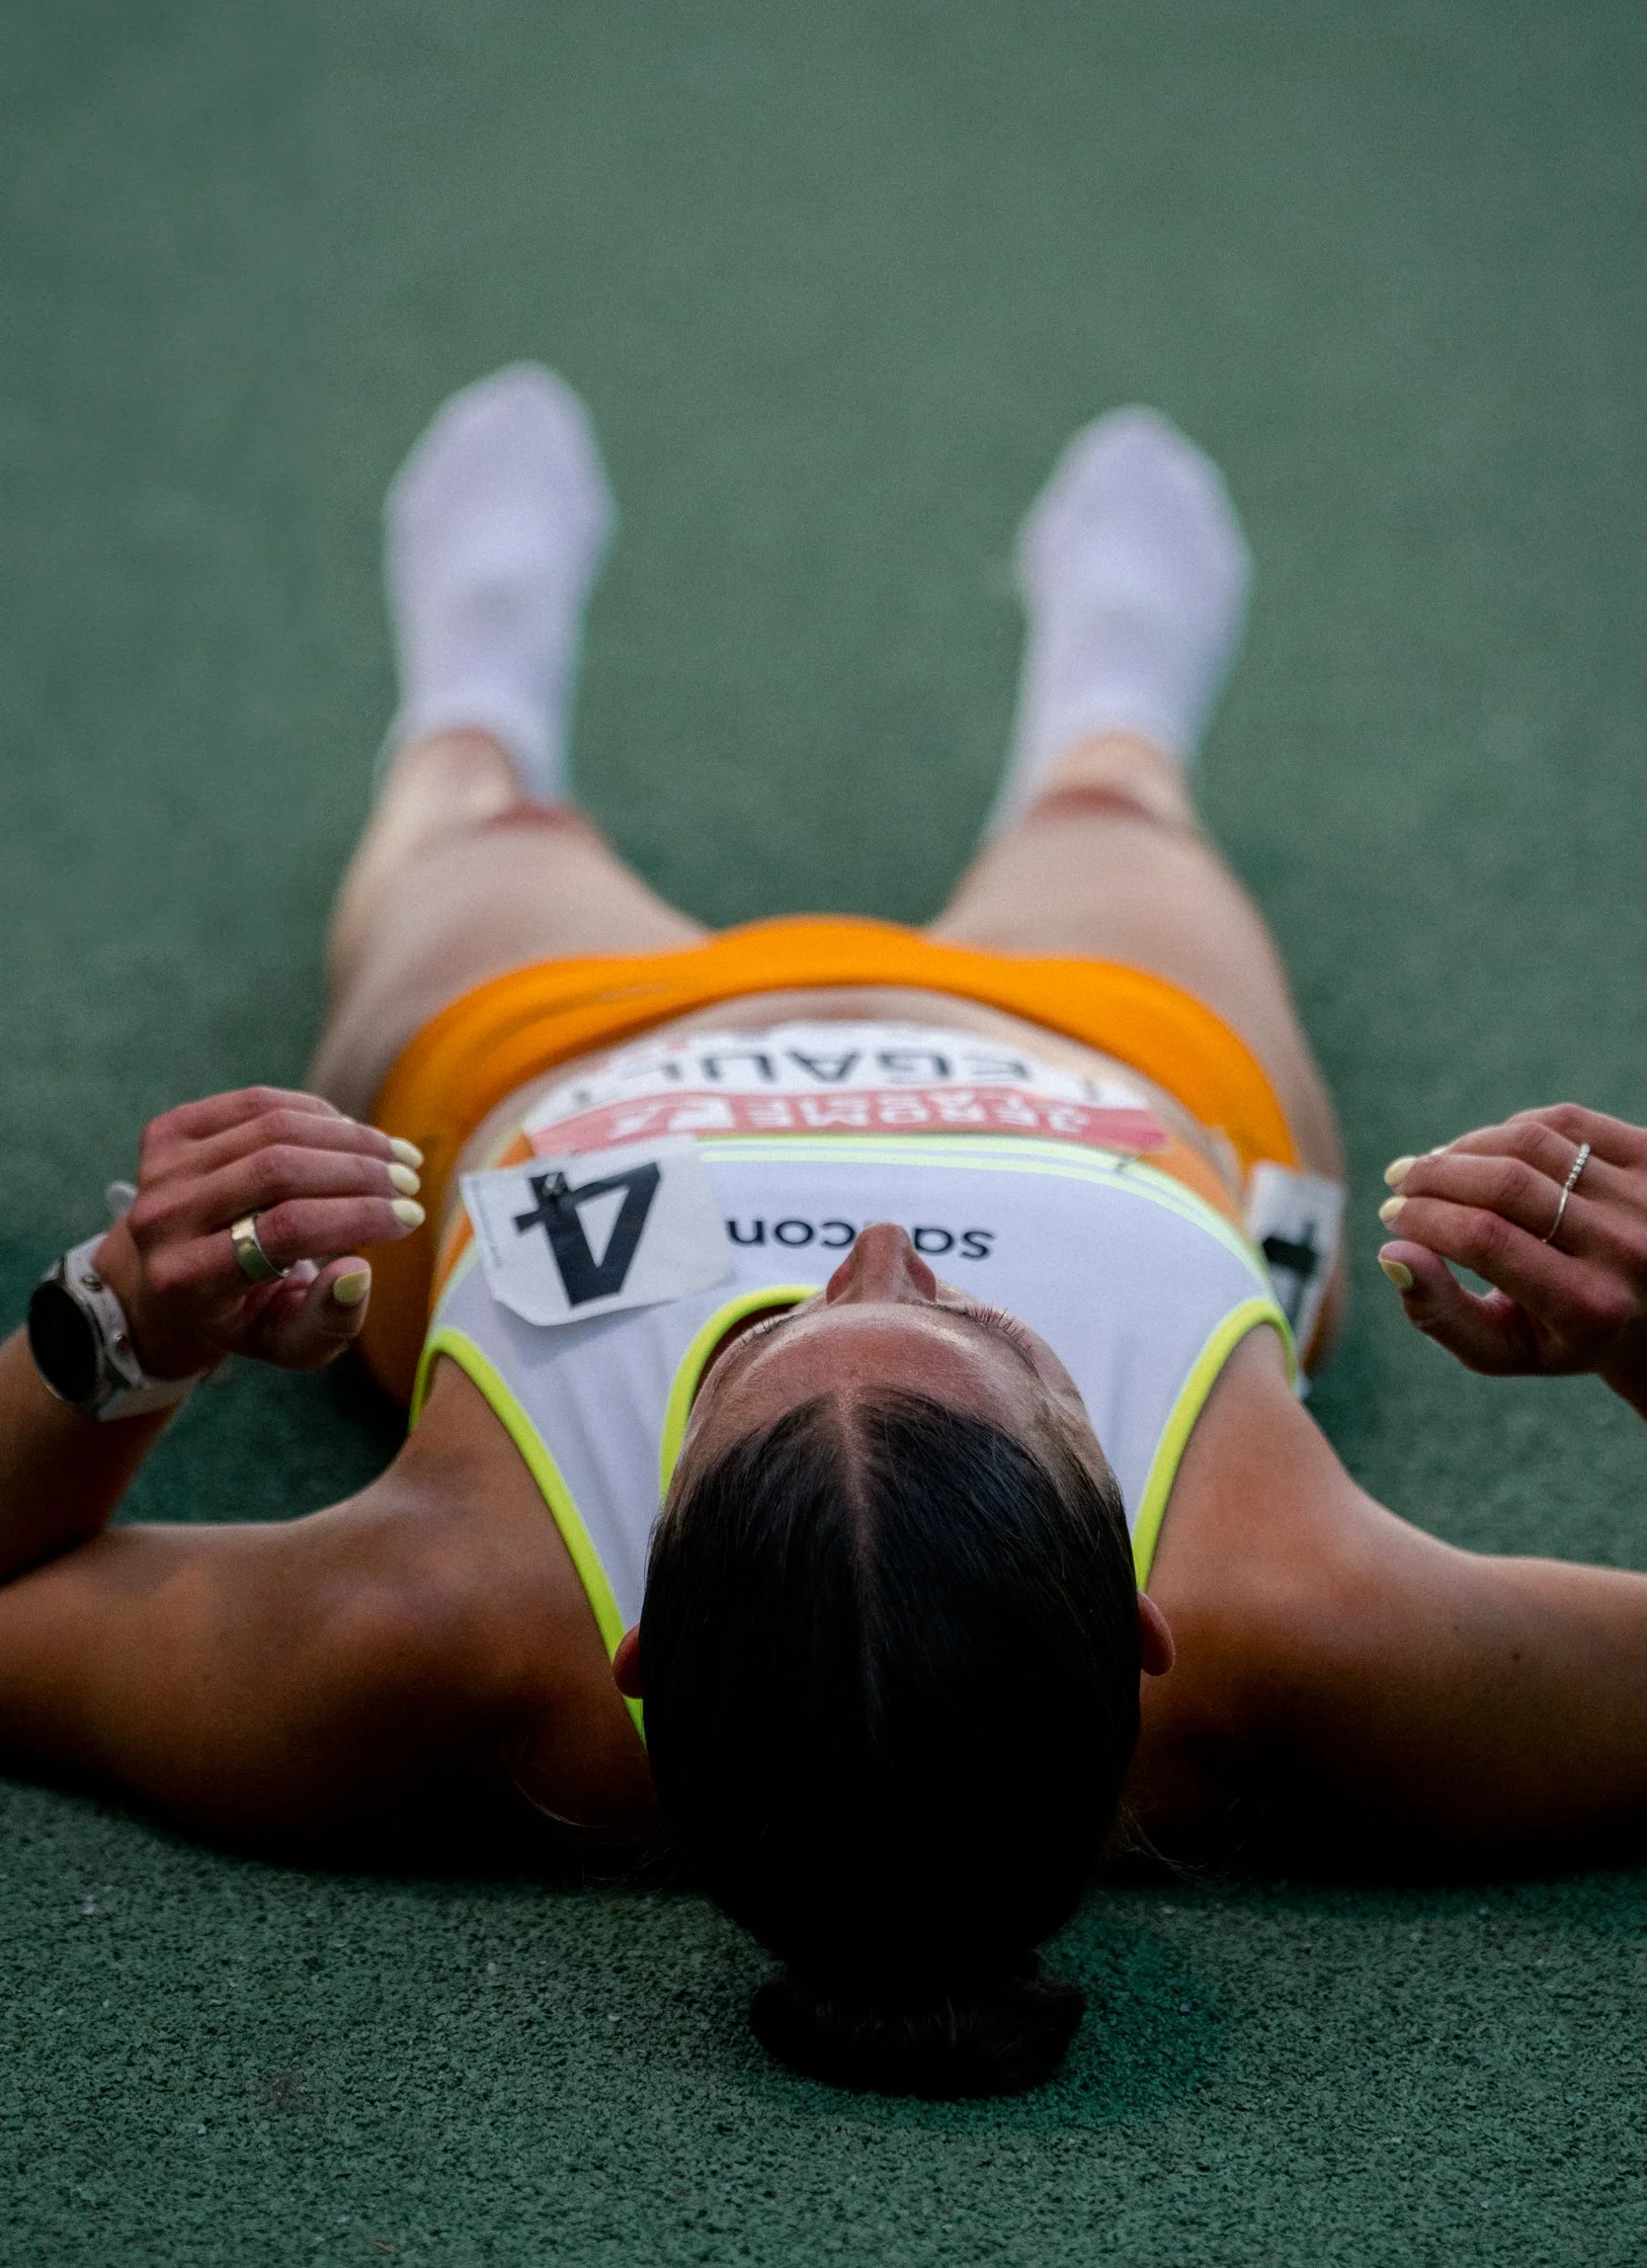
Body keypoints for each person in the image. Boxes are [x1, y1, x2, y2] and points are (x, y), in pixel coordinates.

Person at [5, 370, 1647, 2102]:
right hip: (1108, 1057)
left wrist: (114, 1328)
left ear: (631, 1624)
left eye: (756, 1352)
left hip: (559, 1044)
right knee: (1111, 813)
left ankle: (474, 693)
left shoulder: (432, 1629)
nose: (874, 1241)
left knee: (478, 821)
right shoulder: (1316, 1626)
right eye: (1004, 1347)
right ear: (1146, 1618)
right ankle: (1110, 715)